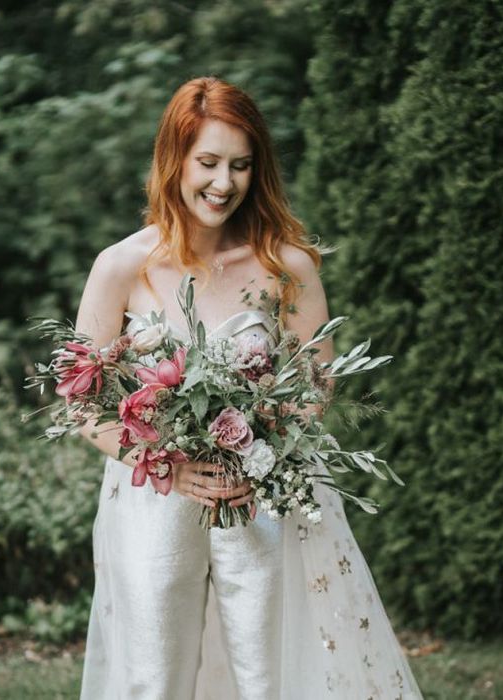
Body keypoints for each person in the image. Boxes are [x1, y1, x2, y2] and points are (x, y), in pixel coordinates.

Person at [76, 77, 422, 699]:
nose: (223, 182)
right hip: (154, 501)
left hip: (263, 498)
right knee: (155, 679)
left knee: (271, 676)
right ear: (174, 161)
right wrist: (164, 467)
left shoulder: (286, 266)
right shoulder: (122, 265)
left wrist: (264, 450)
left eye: (240, 165)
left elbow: (317, 384)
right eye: (207, 162)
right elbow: (81, 403)